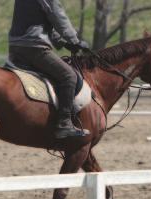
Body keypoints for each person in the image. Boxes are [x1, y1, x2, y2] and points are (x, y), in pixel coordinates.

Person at [8, 0, 90, 139]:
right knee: (69, 76)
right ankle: (64, 124)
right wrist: (74, 41)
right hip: (34, 47)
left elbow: (43, 22)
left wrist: (63, 42)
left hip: (16, 46)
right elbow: (58, 16)